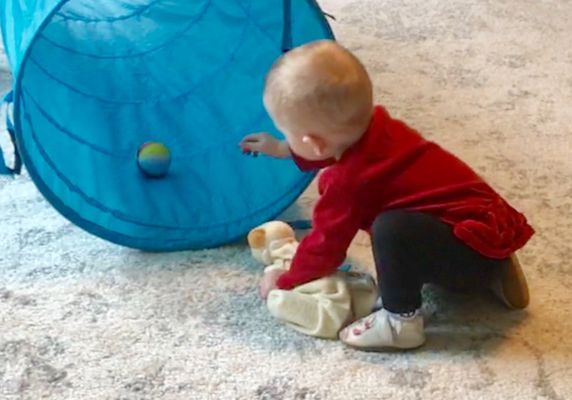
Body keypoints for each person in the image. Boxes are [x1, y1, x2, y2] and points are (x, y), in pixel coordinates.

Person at [239, 40, 534, 351]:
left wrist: (287, 278)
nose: (286, 140)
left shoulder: (349, 182)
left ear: (315, 143)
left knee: (391, 229)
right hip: (485, 226)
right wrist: (285, 149)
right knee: (409, 224)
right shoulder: (380, 127)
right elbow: (336, 148)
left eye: (288, 135)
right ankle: (495, 269)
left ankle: (400, 323)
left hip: (467, 258)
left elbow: (326, 244)